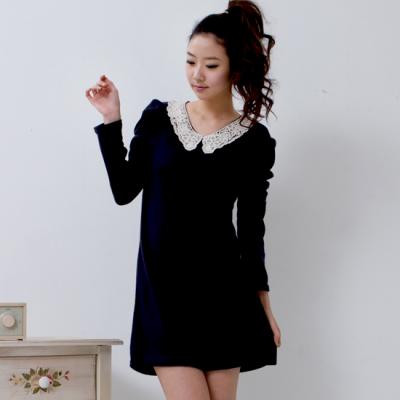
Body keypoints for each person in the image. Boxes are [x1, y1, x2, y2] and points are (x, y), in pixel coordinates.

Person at [85, 1, 281, 398]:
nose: (197, 74)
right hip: (164, 295)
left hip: (224, 295)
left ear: (235, 69)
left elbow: (250, 231)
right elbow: (124, 190)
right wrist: (111, 120)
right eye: (190, 61)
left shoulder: (253, 141)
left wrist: (264, 306)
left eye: (211, 65)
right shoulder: (159, 119)